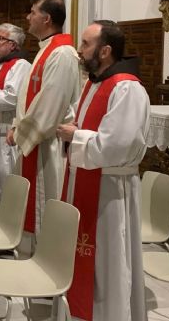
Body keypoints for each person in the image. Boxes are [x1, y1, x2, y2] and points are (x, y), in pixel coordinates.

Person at [56, 21, 148, 321]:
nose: (80, 51)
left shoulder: (127, 88)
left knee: (110, 263)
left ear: (105, 50)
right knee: (90, 263)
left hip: (110, 192)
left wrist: (76, 136)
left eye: (85, 44)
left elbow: (117, 145)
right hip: (88, 181)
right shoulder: (94, 84)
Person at [7, 0, 81, 235]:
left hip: (48, 144)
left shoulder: (62, 54)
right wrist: (18, 124)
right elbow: (29, 98)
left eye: (32, 12)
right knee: (34, 206)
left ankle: (45, 259)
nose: (28, 17)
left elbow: (51, 104)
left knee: (46, 204)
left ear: (47, 18)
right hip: (36, 142)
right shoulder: (47, 49)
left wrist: (21, 132)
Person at [0, 23, 31, 220]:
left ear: (13, 45)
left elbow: (11, 97)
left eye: (1, 38)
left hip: (6, 133)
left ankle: (1, 229)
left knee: (0, 185)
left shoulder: (21, 66)